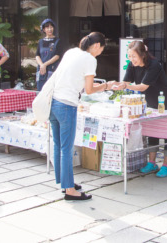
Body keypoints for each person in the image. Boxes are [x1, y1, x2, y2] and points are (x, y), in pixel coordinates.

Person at [50, 32, 112, 200]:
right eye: (101, 49)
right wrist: (106, 86)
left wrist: (102, 85)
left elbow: (83, 85)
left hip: (53, 103)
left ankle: (64, 182)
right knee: (67, 148)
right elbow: (90, 90)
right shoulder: (90, 59)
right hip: (67, 105)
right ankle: (70, 190)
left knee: (58, 145)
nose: (100, 53)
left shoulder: (71, 52)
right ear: (97, 45)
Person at [111, 41, 167, 178]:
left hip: (165, 101)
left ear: (142, 55)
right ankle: (152, 162)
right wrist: (116, 86)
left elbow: (142, 87)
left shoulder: (154, 65)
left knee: (166, 134)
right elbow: (126, 83)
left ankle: (166, 165)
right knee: (152, 131)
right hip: (150, 102)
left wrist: (125, 87)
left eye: (133, 56)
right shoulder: (132, 65)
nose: (131, 59)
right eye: (129, 56)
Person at [35, 18, 60, 91]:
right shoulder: (40, 41)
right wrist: (41, 65)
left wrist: (45, 64)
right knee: (41, 90)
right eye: (47, 27)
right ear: (43, 29)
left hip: (52, 68)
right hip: (42, 69)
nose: (50, 29)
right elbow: (37, 55)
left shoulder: (57, 41)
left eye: (51, 27)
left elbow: (57, 55)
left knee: (51, 89)